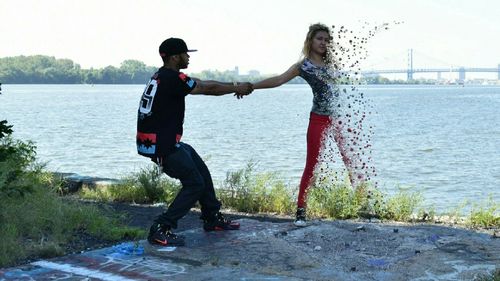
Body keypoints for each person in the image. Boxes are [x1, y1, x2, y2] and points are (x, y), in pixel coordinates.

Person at [137, 37, 253, 246]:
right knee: (194, 183)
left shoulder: (162, 76)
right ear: (174, 57)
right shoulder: (173, 78)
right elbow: (207, 88)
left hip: (159, 141)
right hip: (161, 144)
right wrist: (237, 86)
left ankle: (212, 218)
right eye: (185, 53)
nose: (188, 56)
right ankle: (161, 227)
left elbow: (201, 83)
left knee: (199, 167)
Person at [253, 23, 364, 227]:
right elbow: (278, 80)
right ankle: (301, 212)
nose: (324, 43)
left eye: (327, 40)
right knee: (311, 166)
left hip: (339, 119)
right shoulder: (302, 66)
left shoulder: (333, 64)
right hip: (319, 119)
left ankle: (363, 207)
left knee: (352, 161)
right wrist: (251, 87)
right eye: (319, 39)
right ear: (310, 41)